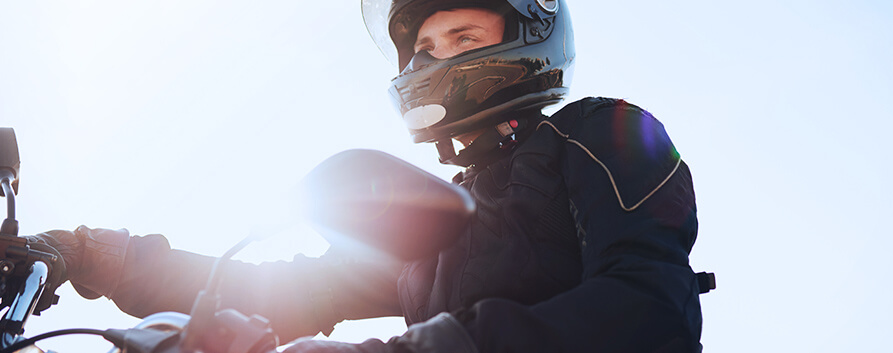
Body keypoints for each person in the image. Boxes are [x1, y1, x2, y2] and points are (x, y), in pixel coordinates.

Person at [28, 0, 709, 352]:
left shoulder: (600, 130)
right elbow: (286, 287)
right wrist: (97, 256)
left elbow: (649, 306)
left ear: (525, 35)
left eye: (462, 38)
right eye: (423, 48)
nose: (434, 59)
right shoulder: (440, 208)